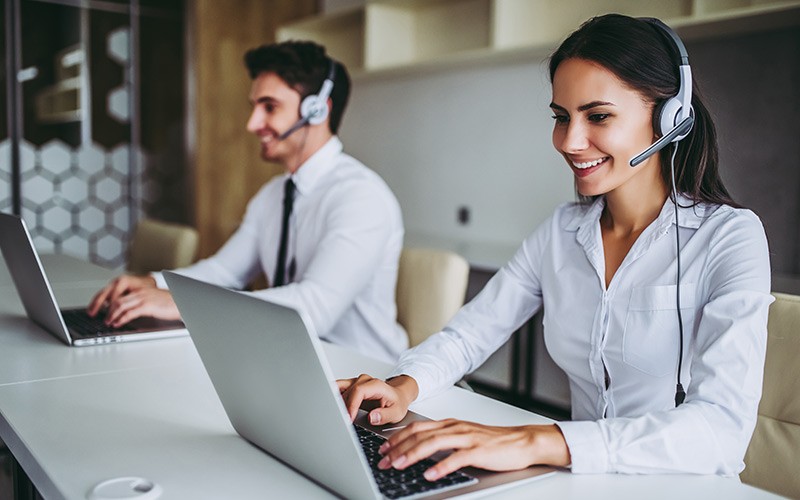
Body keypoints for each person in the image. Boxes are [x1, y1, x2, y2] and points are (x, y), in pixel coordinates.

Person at [338, 14, 773, 479]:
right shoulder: (562, 231)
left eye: (598, 116)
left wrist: (537, 440)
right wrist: (406, 384)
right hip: (578, 480)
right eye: (561, 117)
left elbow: (721, 428)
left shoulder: (730, 237)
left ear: (672, 118)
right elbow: (469, 335)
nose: (570, 140)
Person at [88, 41, 408, 362]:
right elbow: (224, 271)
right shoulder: (273, 194)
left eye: (269, 107)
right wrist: (152, 283)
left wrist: (181, 303)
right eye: (254, 106)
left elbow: (316, 307)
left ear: (317, 110)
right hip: (290, 359)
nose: (252, 124)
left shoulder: (360, 197)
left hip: (362, 376)